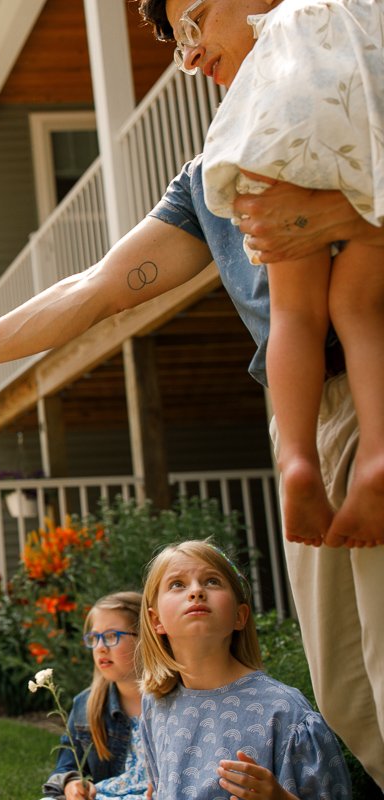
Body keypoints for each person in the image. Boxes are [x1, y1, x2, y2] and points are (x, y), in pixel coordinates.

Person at [0, 0, 384, 786]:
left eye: (195, 22)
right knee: (354, 694)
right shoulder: (216, 173)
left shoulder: (365, 58)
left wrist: (357, 218)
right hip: (309, 420)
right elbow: (100, 284)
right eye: (174, 38)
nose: (188, 55)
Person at [199, 0, 384, 547]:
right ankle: (376, 453)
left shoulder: (274, 32)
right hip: (360, 99)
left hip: (275, 117)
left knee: (293, 313)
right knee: (359, 305)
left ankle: (299, 461)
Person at [137, 540, 351, 798]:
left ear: (240, 616)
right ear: (156, 620)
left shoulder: (285, 712)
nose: (196, 591)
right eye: (177, 584)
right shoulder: (155, 705)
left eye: (212, 581)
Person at [40, 592, 145, 800]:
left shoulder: (176, 699)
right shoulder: (86, 705)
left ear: (144, 638)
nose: (100, 648)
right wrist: (72, 783)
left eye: (111, 636)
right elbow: (65, 767)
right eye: (94, 638)